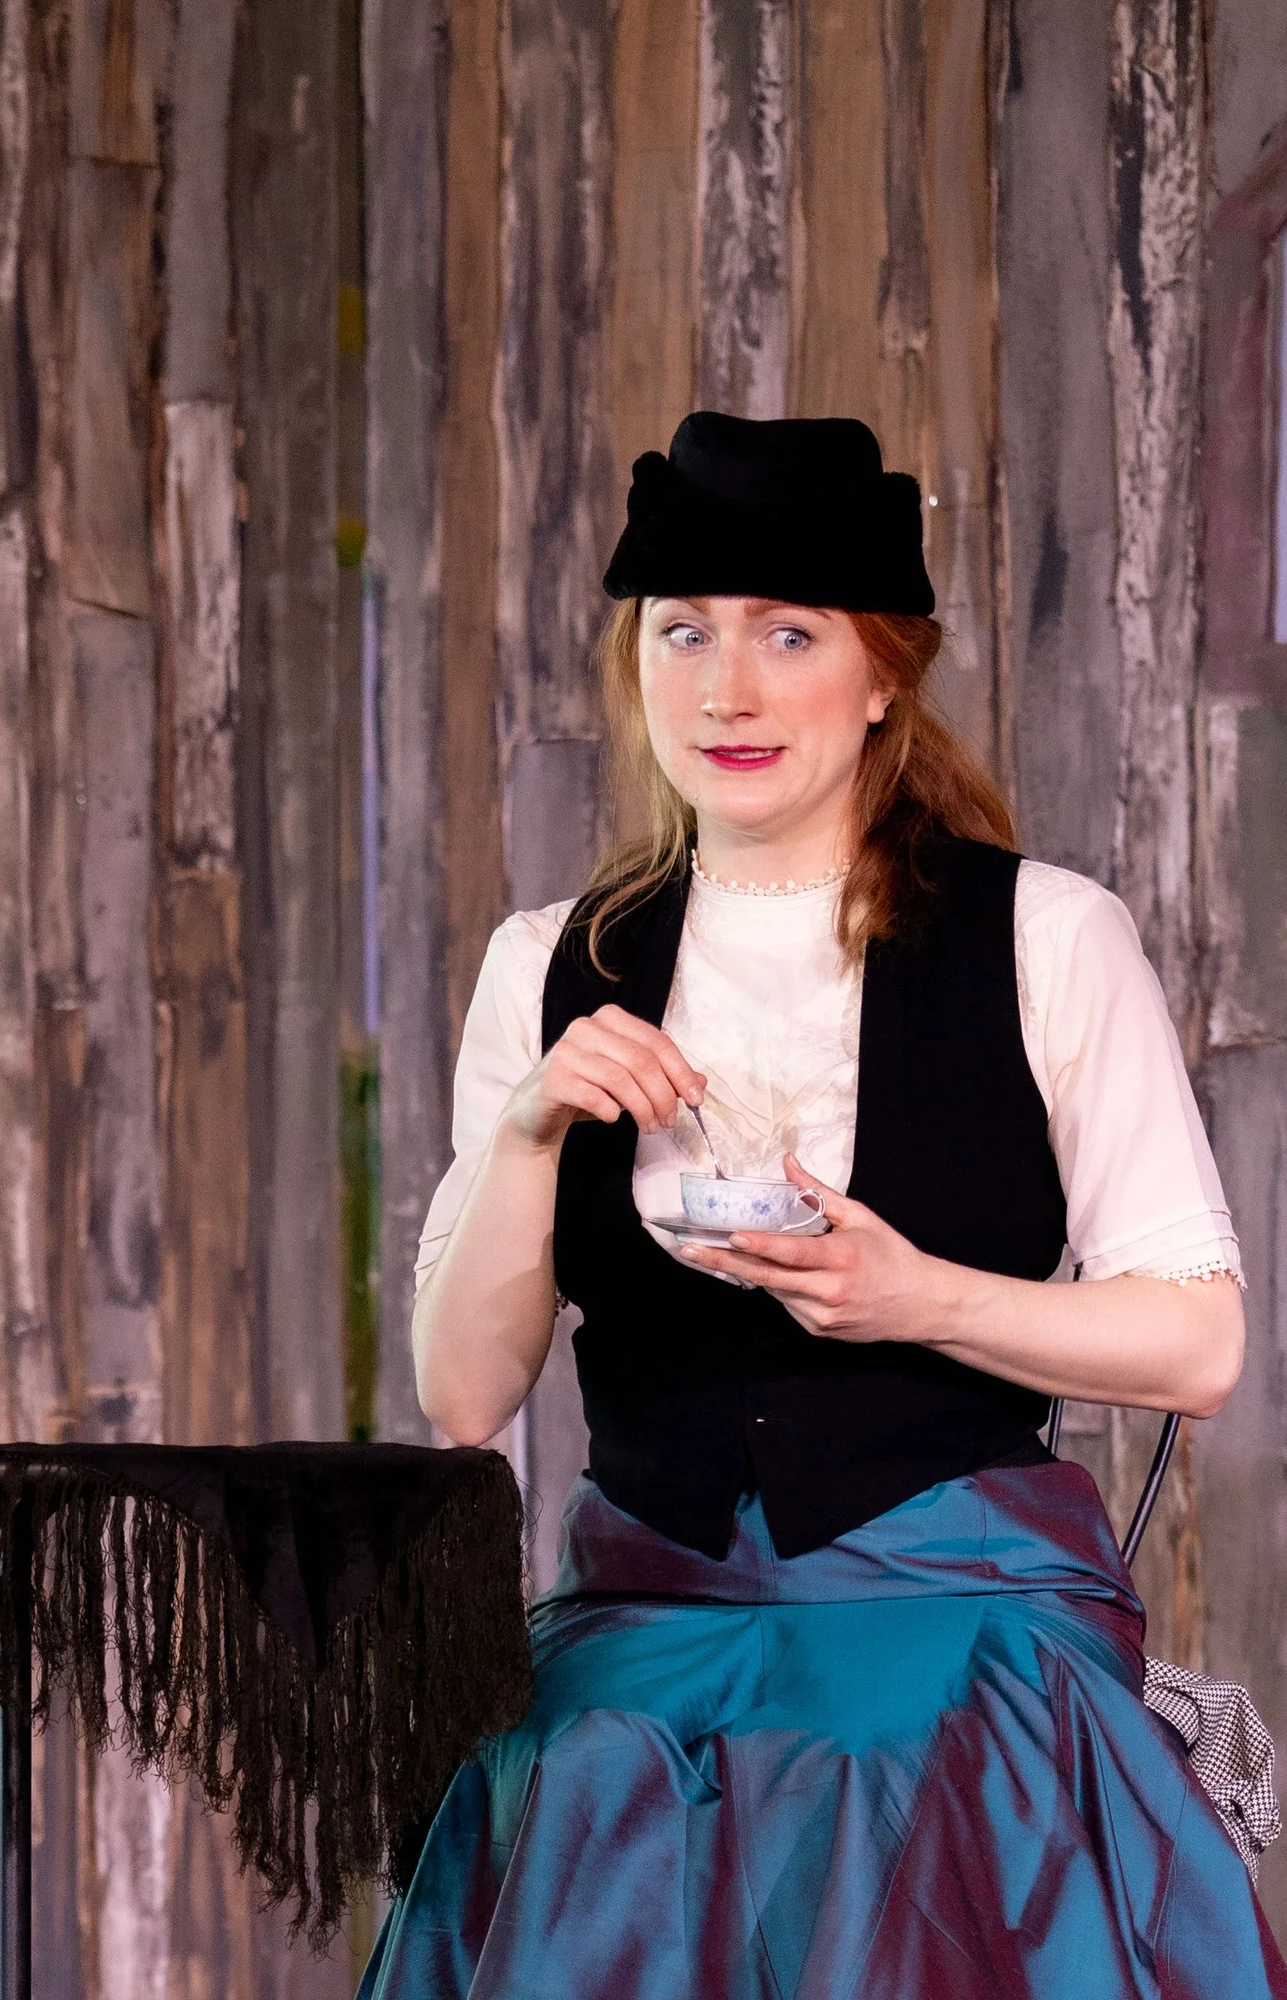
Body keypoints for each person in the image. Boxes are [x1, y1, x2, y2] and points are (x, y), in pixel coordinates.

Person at [367, 415, 1286, 1997]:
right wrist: (526, 1132)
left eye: (788, 634)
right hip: (644, 1615)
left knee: (913, 1755)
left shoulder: (1048, 938)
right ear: (638, 663)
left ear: (879, 677)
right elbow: (463, 1396)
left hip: (960, 1607)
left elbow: (1197, 1347)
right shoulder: (546, 966)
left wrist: (916, 1297)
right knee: (574, 1767)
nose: (727, 689)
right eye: (685, 632)